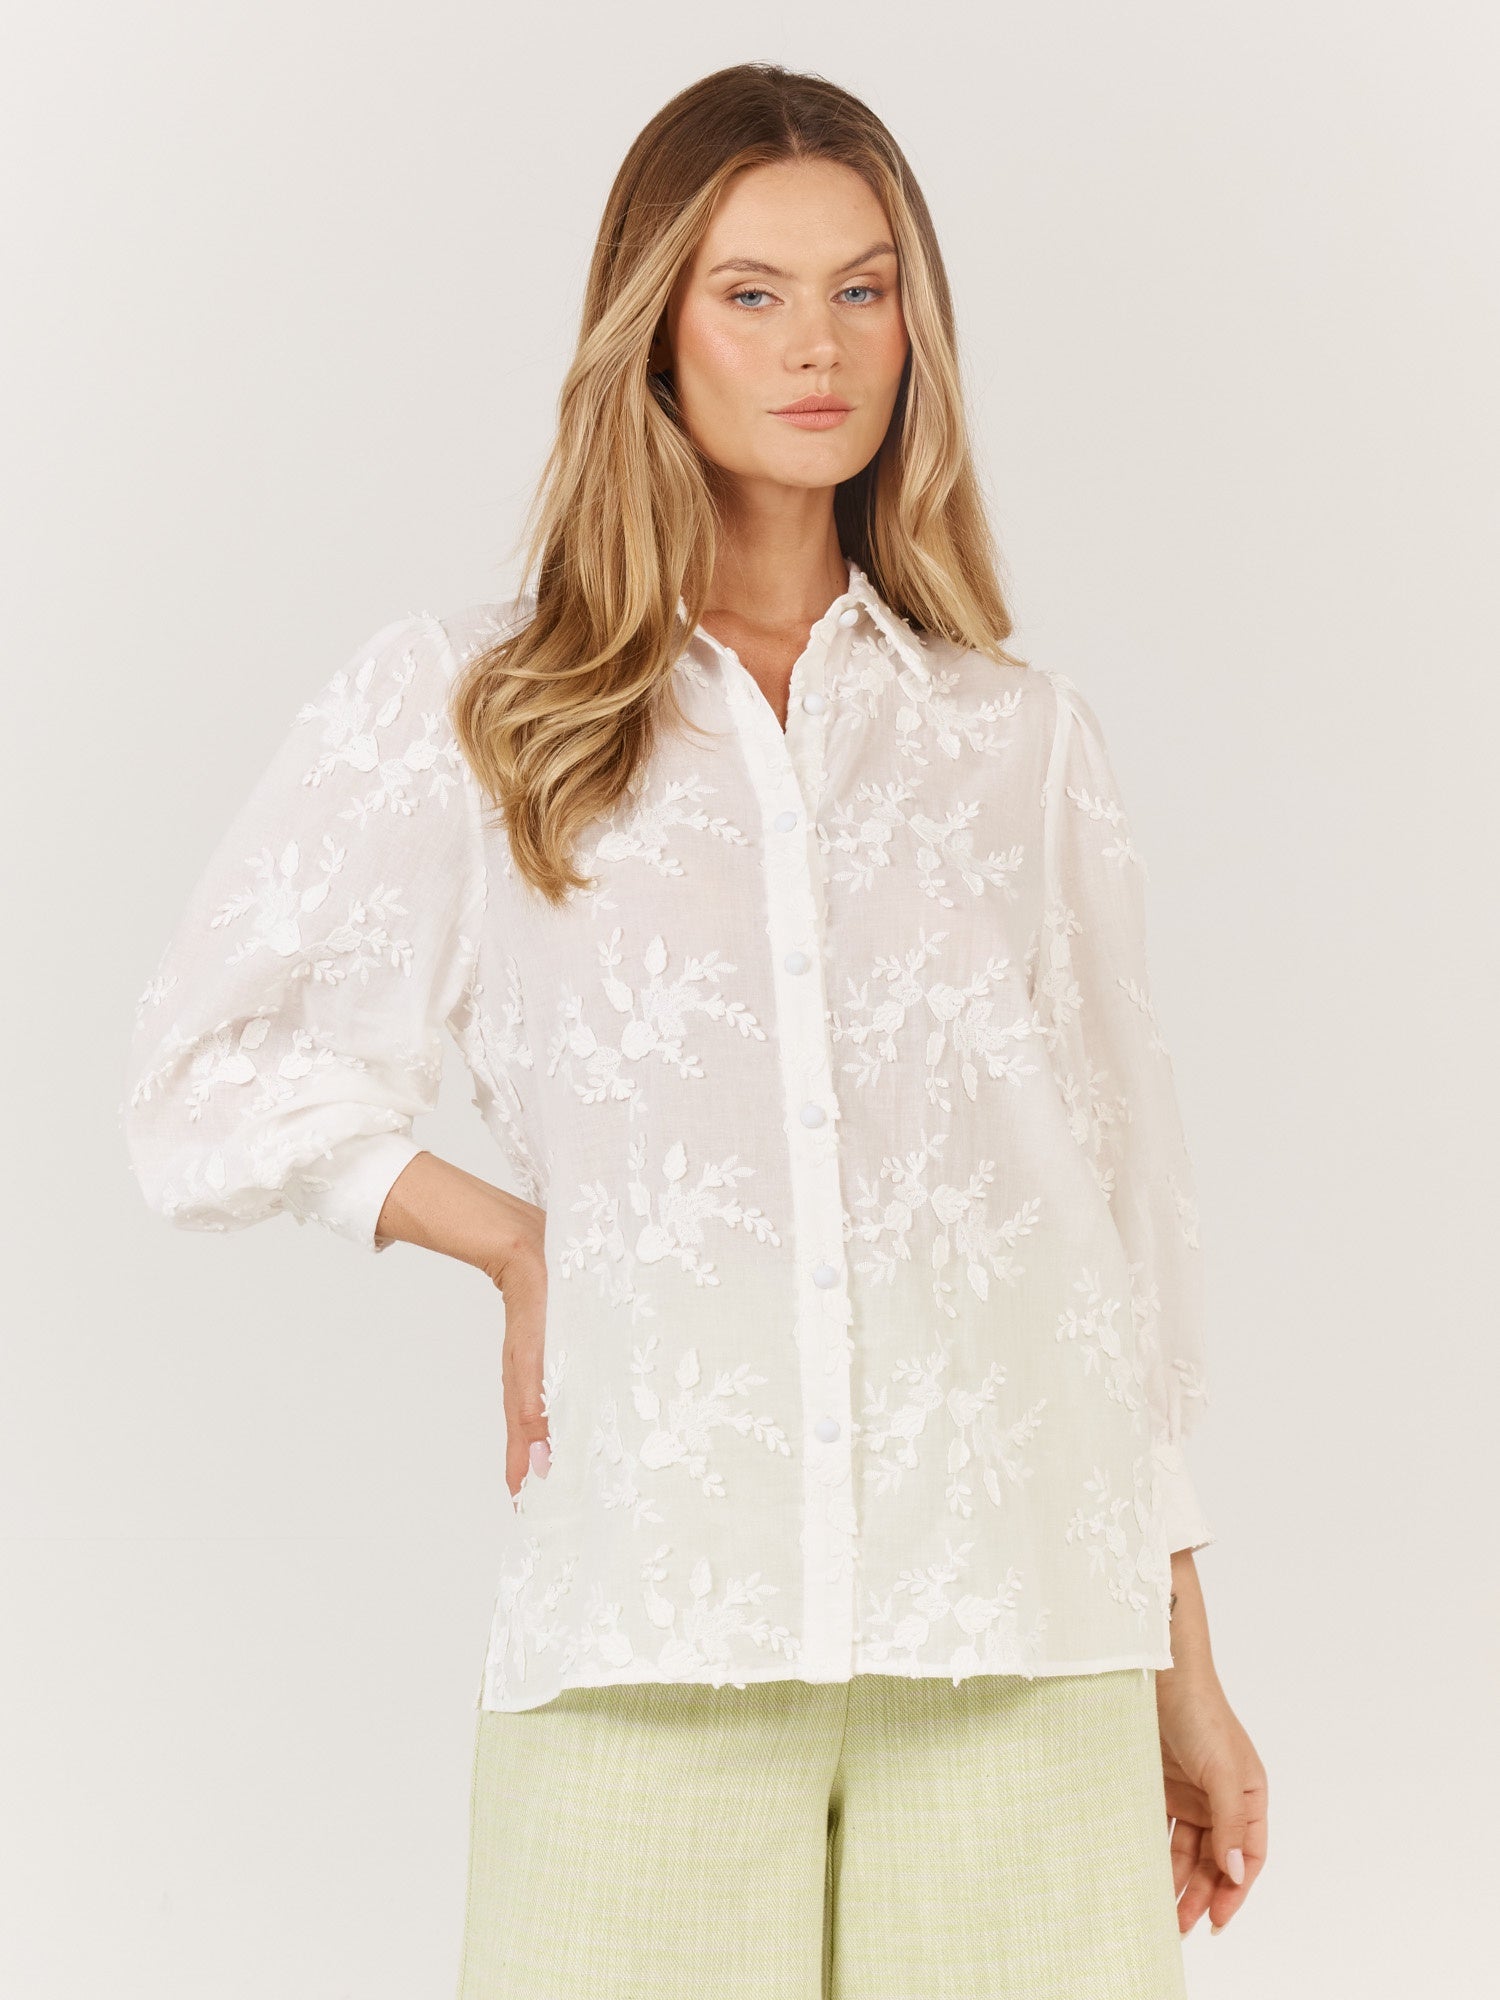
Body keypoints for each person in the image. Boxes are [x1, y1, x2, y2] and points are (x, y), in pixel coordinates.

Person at [119, 60, 1267, 2000]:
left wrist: (1187, 1668)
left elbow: (1111, 1250)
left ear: (914, 327)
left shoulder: (1014, 744)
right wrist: (509, 1236)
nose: (819, 344)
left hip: (1019, 1635)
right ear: (654, 330)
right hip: (651, 1622)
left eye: (863, 288)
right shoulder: (485, 712)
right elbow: (201, 1070)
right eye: (753, 292)